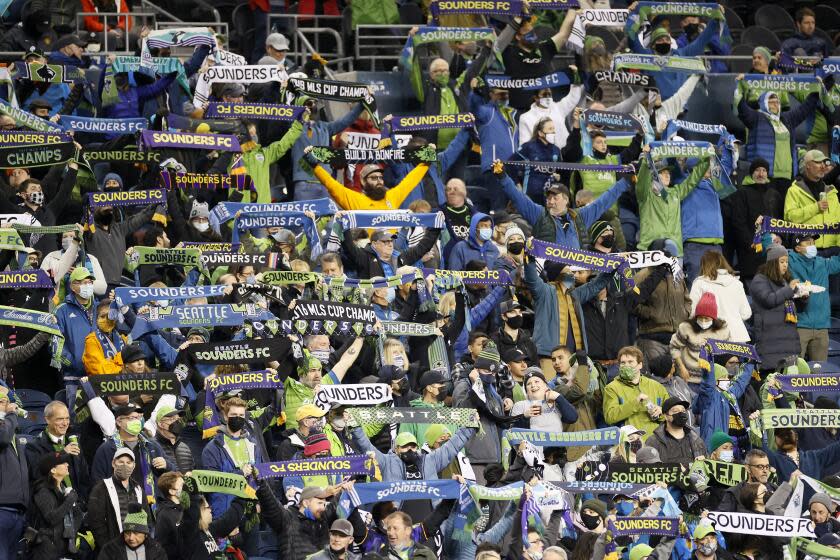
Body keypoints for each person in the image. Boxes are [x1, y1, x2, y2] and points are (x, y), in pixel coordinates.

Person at [24, 400, 91, 504]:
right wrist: (62, 453)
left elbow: (84, 476)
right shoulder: (34, 447)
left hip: (78, 507)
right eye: (60, 419)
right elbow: (37, 474)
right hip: (53, 508)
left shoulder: (74, 443)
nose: (65, 423)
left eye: (67, 419)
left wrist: (82, 502)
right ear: (47, 419)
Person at [750, 245, 802, 376]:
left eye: (787, 262)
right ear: (773, 262)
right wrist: (789, 289)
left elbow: (791, 308)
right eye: (782, 261)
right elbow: (769, 300)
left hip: (789, 344)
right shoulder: (759, 280)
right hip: (770, 345)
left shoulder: (785, 282)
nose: (785, 265)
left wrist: (803, 297)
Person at [86, 447, 149, 549]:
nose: (125, 465)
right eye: (121, 462)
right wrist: (108, 547)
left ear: (134, 466)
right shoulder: (101, 488)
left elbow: (146, 519)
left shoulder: (138, 489)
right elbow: (95, 522)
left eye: (129, 463)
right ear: (113, 463)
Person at [602, 346, 669, 439]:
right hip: (629, 442)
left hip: (656, 442)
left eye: (630, 362)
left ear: (640, 365)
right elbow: (610, 417)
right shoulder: (612, 388)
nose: (626, 366)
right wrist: (635, 403)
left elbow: (672, 412)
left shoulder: (656, 386)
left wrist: (661, 411)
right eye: (623, 363)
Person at [29, 452, 82, 560]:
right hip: (47, 549)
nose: (67, 464)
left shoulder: (64, 489)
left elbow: (78, 516)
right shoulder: (42, 490)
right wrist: (70, 500)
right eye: (62, 463)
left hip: (65, 546)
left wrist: (70, 533)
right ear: (53, 470)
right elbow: (52, 518)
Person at [784, 150, 840, 251]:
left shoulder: (831, 192)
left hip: (833, 249)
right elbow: (790, 218)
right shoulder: (795, 190)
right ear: (807, 165)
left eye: (824, 163)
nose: (823, 166)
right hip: (808, 249)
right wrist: (815, 207)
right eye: (818, 162)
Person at [689, 252, 751, 343]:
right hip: (738, 337)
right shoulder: (737, 283)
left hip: (712, 337)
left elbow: (691, 312)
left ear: (703, 265)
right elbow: (746, 313)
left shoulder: (700, 283)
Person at [646, 397, 707, 464]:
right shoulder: (653, 441)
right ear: (666, 416)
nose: (681, 413)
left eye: (683, 411)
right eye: (675, 411)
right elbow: (649, 469)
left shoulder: (696, 440)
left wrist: (703, 463)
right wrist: (674, 469)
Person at [97, 503, 167, 559]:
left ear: (145, 534)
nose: (131, 538)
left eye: (136, 533)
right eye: (127, 533)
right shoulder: (110, 550)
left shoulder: (157, 550)